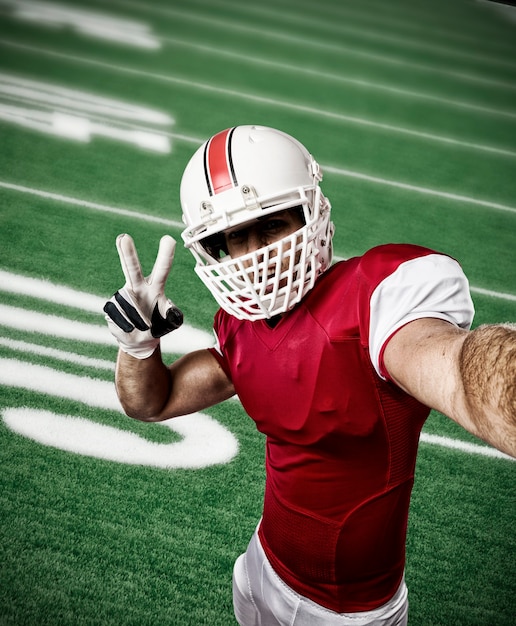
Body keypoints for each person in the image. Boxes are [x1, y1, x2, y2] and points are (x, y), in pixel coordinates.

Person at [104, 125, 515, 625]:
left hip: (349, 612)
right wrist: (138, 346)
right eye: (233, 238)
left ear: (312, 213)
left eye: (271, 225)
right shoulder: (239, 323)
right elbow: (152, 402)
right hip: (262, 563)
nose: (256, 257)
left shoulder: (375, 300)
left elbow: (460, 374)